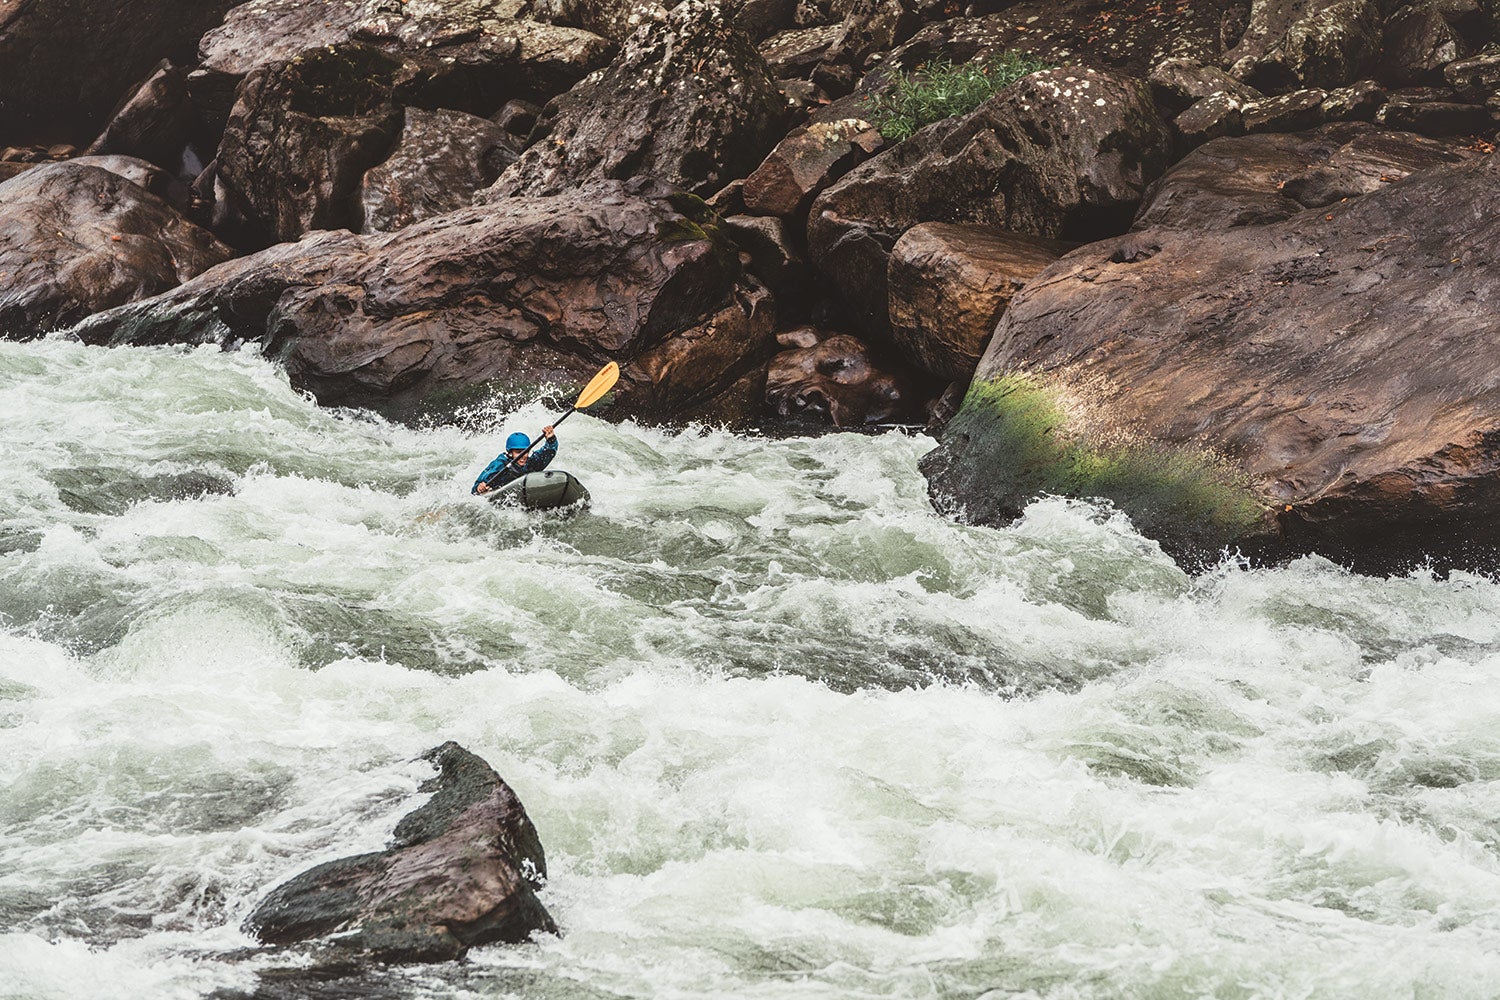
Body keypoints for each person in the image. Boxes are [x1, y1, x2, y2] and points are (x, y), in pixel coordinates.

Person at [473, 426, 556, 494]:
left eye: (525, 452)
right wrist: (479, 488)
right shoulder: (500, 465)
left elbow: (549, 452)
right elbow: (475, 488)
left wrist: (551, 439)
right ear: (510, 453)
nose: (523, 456)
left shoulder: (531, 463)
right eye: (518, 452)